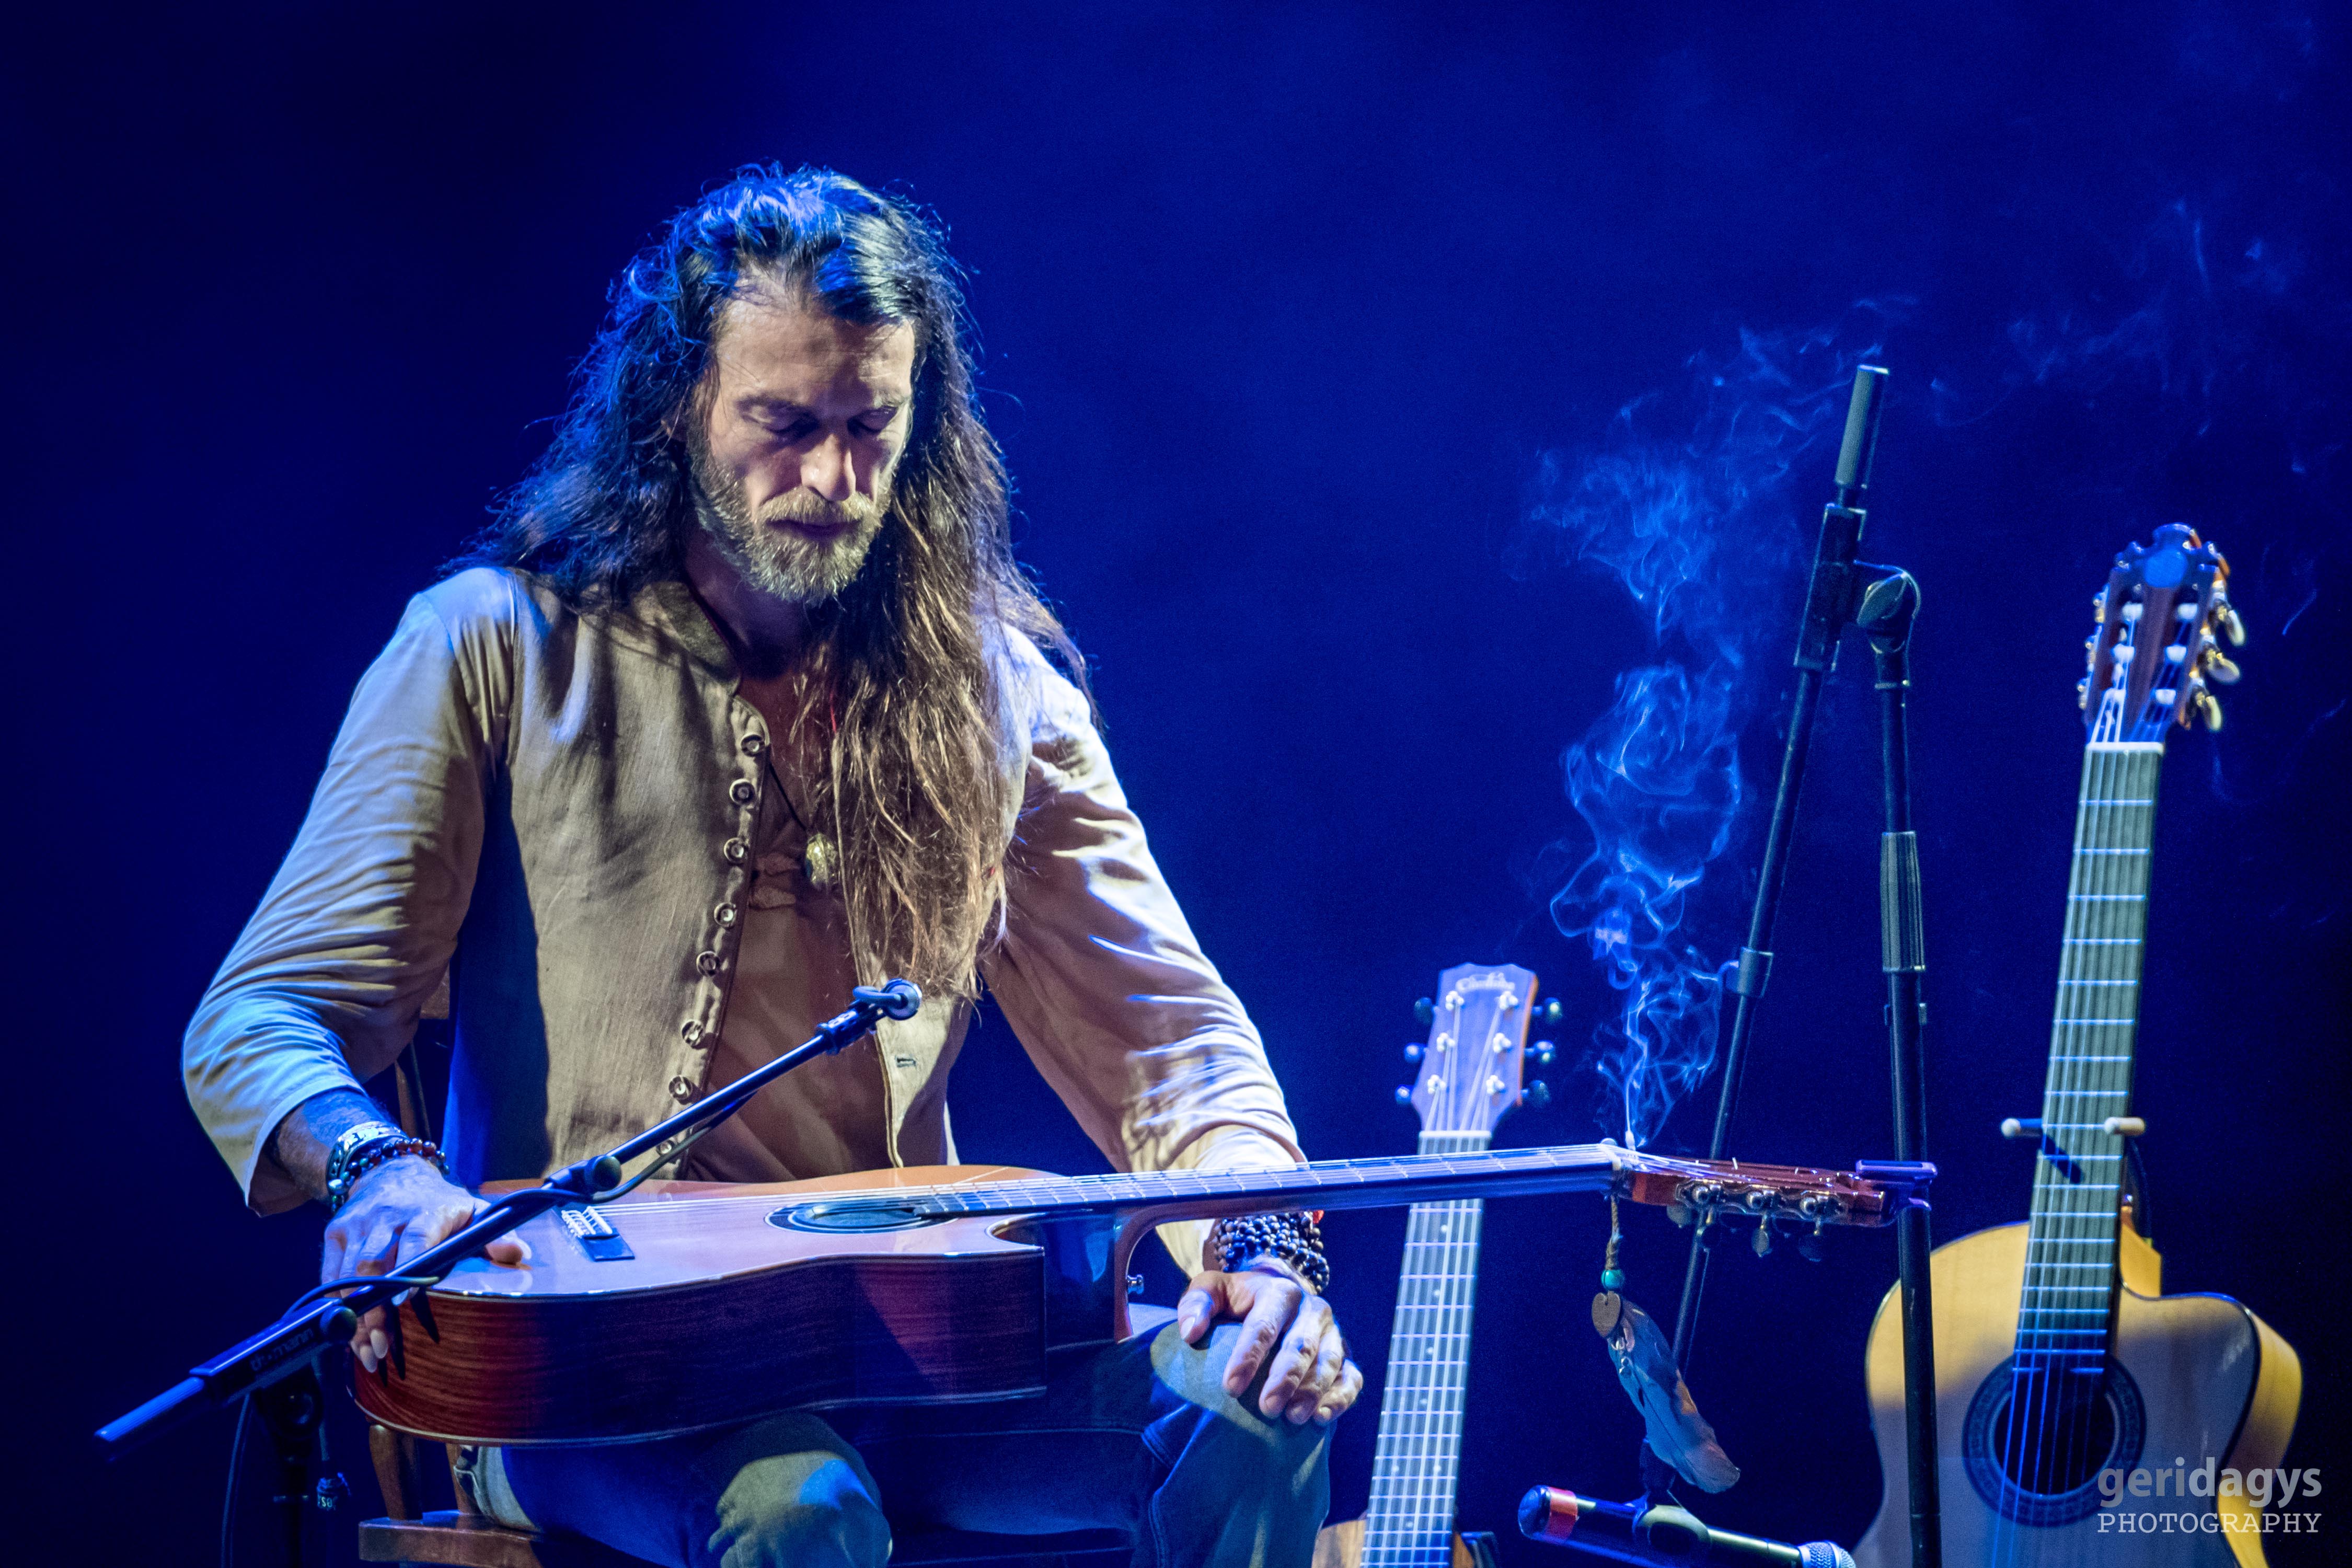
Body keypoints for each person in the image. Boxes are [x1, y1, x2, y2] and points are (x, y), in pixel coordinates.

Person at [182, 165, 1358, 1568]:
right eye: (781, 425)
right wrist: (379, 1171)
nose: (832, 479)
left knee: (1255, 1412)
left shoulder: (996, 694)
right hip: (591, 1384)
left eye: (872, 426)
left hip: (910, 1361)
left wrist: (1262, 1258)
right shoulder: (493, 645)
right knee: (799, 1508)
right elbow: (260, 1018)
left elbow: (1168, 1041)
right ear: (678, 411)